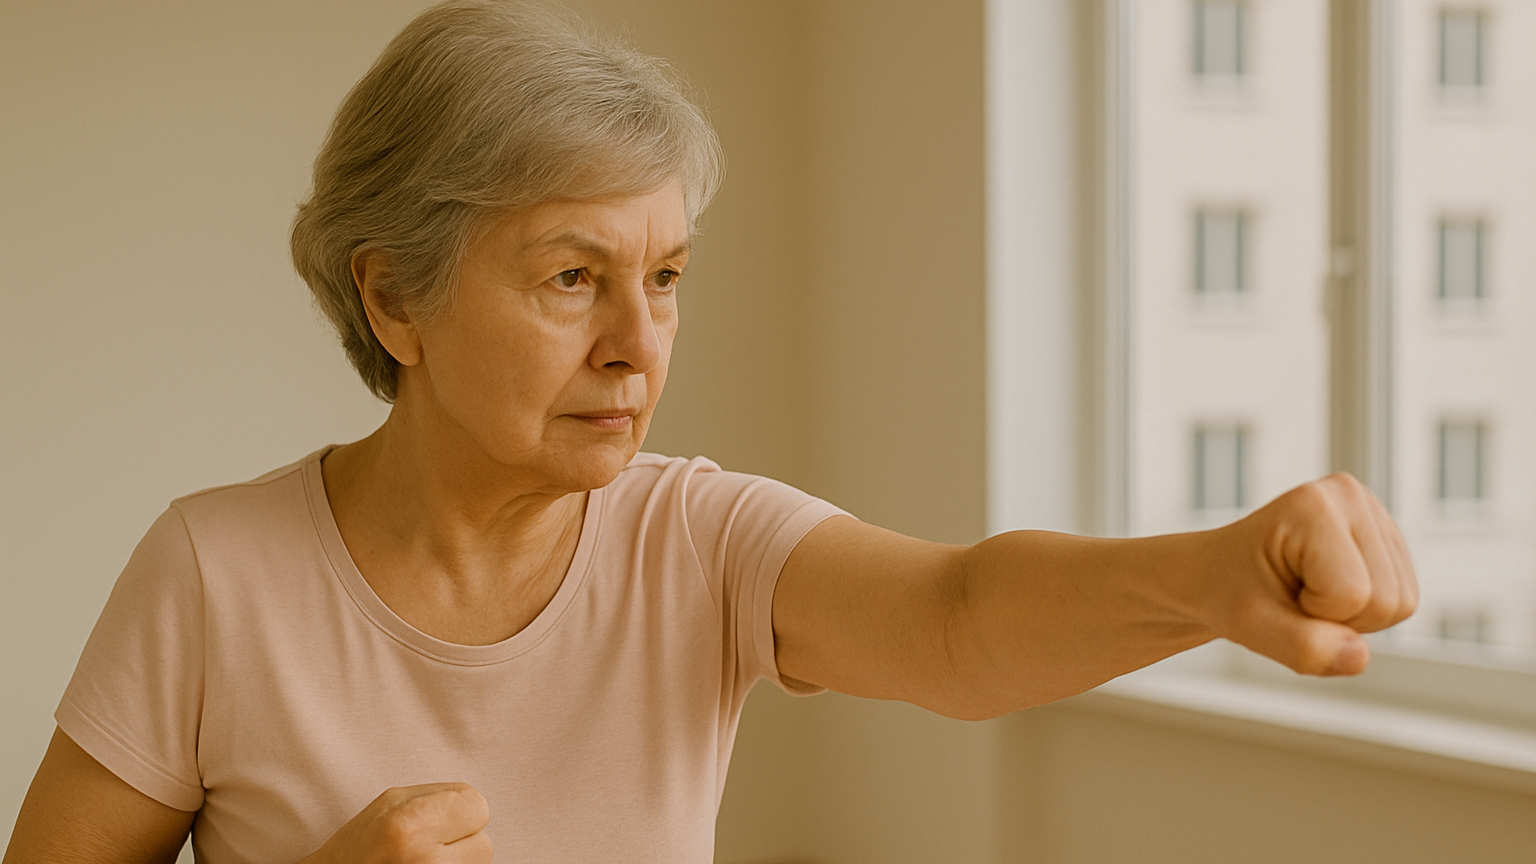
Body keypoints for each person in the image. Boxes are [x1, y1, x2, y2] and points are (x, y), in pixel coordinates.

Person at [2, 1, 1416, 862]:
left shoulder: (698, 538)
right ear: (395, 297)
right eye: (573, 277)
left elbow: (956, 618)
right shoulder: (215, 574)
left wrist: (1211, 577)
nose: (639, 342)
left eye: (666, 277)